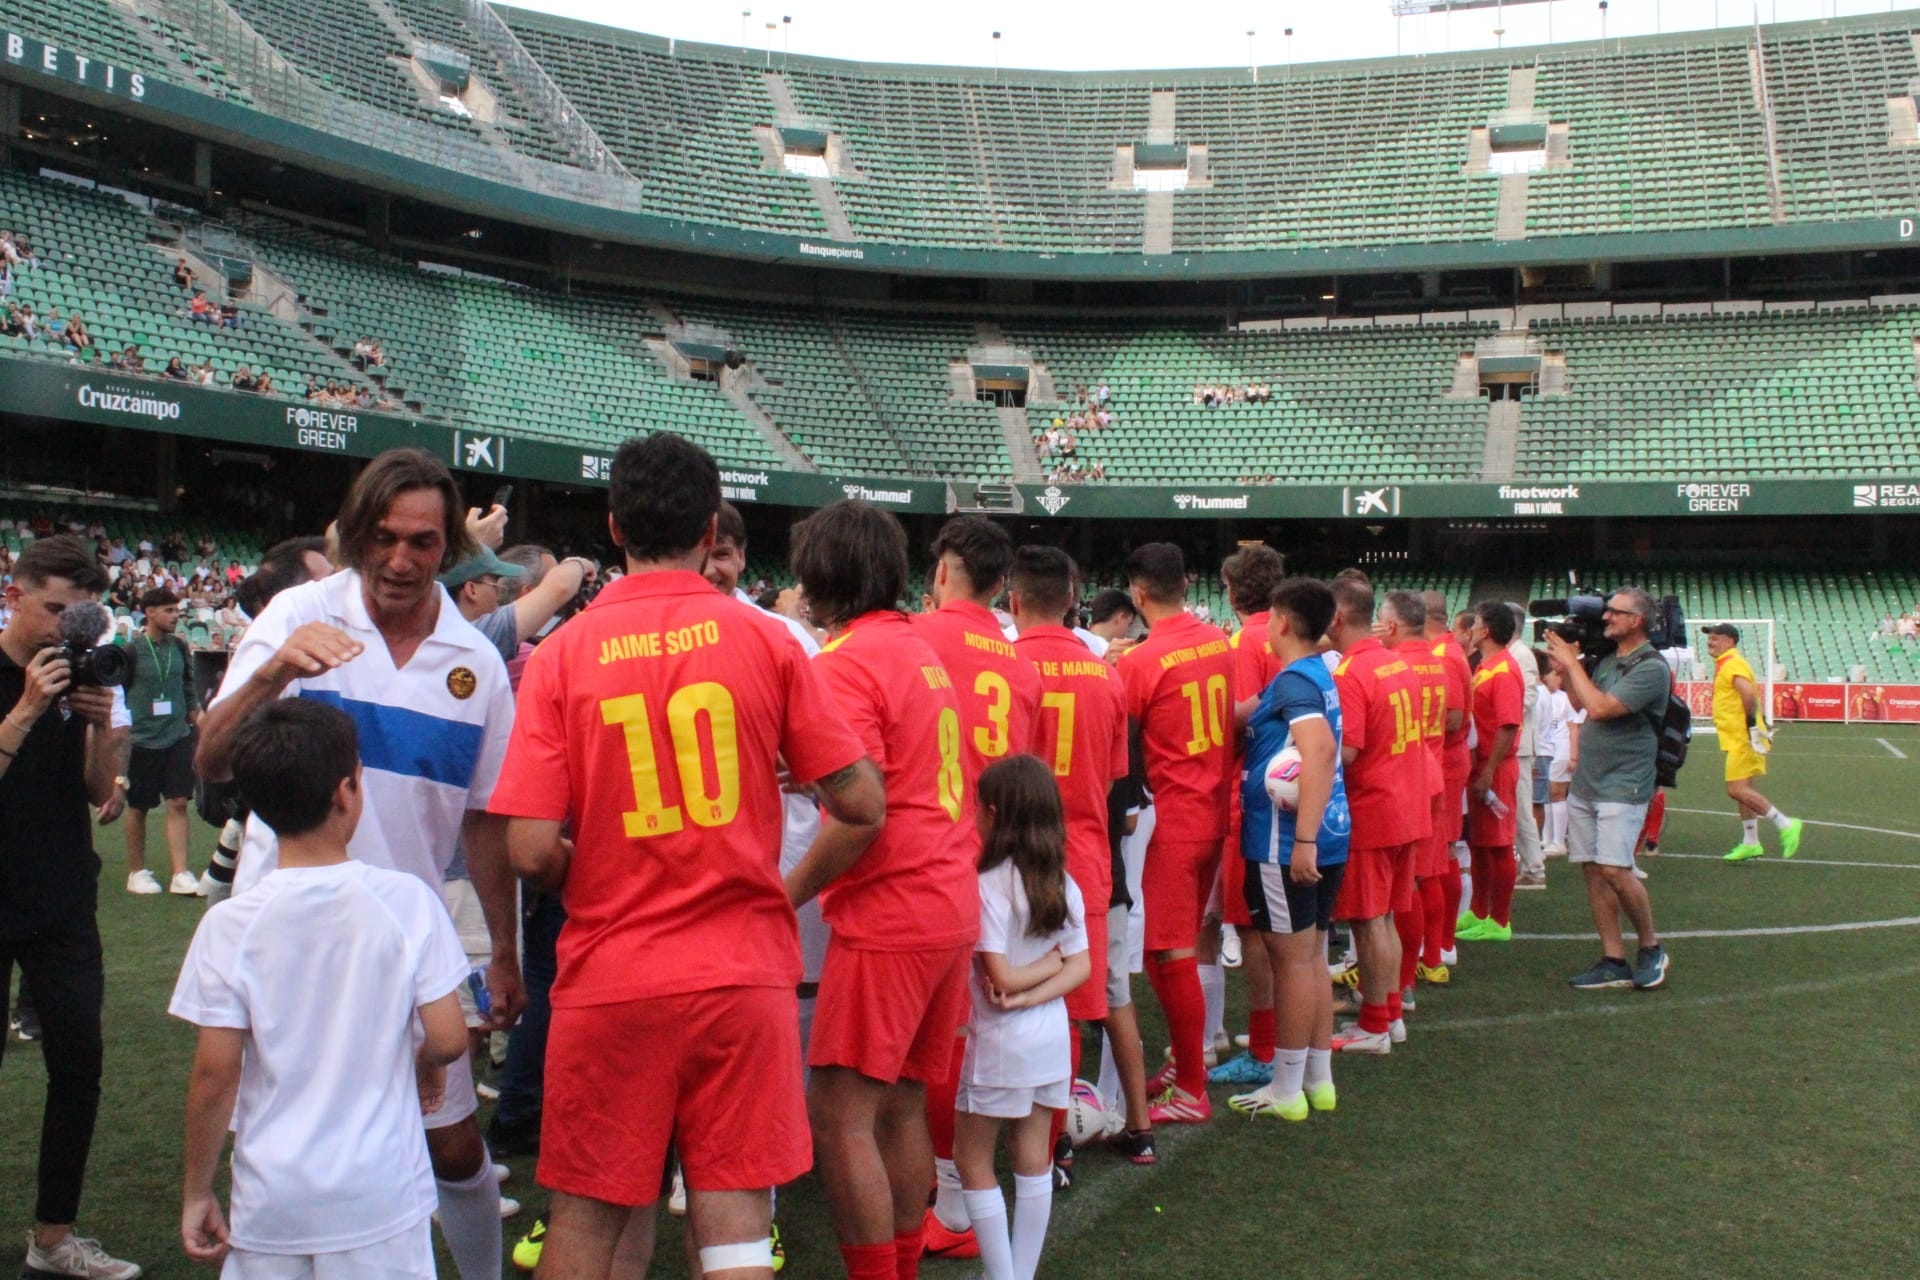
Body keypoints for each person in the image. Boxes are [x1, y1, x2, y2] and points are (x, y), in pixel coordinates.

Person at [488, 435, 878, 1280]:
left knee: (587, 1222)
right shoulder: (770, 642)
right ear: (711, 529)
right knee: (734, 1222)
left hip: (612, 971)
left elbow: (526, 848)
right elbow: (863, 802)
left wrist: (586, 870)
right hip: (740, 971)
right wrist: (783, 891)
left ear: (614, 527)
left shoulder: (560, 653)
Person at [195, 448, 525, 1280]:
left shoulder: (475, 662)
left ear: (448, 548)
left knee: (453, 1147)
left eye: (422, 542)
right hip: (285, 940)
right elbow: (210, 760)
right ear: (353, 535)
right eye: (384, 538)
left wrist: (508, 951)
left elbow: (485, 821)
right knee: (280, 1133)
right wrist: (274, 670)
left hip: (407, 942)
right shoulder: (300, 611)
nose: (401, 560)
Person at [173, 699, 470, 1280]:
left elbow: (215, 1072)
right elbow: (450, 1037)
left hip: (272, 1199)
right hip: (381, 1193)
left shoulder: (230, 924)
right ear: (347, 791)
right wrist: (428, 1063)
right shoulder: (404, 901)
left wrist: (195, 1191)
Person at [785, 499, 976, 1280]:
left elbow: (862, 813)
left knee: (838, 1117)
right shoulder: (916, 648)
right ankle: (898, 1264)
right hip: (946, 901)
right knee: (899, 1102)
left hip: (891, 912)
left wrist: (783, 892)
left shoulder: (845, 662)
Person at [0, 536, 141, 1279]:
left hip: (60, 895)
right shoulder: (19, 678)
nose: (64, 625)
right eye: (54, 607)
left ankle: (53, 1238)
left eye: (79, 613)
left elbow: (96, 792)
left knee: (79, 1063)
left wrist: (96, 723)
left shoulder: (81, 674)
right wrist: (28, 705)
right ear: (16, 593)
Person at [911, 515, 1043, 1243]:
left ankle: (953, 1192)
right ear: (1002, 587)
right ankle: (981, 1179)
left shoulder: (913, 639)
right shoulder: (1021, 664)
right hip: (1001, 863)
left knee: (933, 1043)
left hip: (925, 861)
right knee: (983, 1029)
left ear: (942, 573)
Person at [1008, 546, 1152, 1167]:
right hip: (1090, 862)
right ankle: (1122, 1130)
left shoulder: (1005, 667)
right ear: (1072, 599)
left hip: (1018, 861)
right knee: (1094, 1001)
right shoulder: (1107, 676)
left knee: (1018, 1005)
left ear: (1013, 601)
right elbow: (1119, 781)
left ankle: (1048, 1141)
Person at [954, 755, 1091, 1280]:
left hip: (997, 1042)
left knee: (973, 1160)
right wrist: (1049, 971)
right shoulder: (1061, 881)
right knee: (1034, 1161)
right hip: (1049, 1038)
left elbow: (1003, 977)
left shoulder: (988, 883)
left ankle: (1005, 1276)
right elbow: (1079, 965)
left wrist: (1024, 989)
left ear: (992, 813)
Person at [1114, 542, 1233, 1122]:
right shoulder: (1218, 641)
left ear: (1138, 593)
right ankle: (1189, 1061)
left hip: (1172, 821)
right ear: (1185, 584)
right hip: (1211, 808)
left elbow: (1121, 737)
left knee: (1171, 951)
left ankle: (1190, 1086)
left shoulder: (1141, 661)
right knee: (1173, 948)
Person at [1225, 577, 1349, 1121]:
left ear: (1281, 623)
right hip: (1330, 833)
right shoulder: (1309, 674)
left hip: (1285, 842)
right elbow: (1242, 715)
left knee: (1293, 964)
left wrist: (1301, 839)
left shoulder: (1298, 679)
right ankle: (1317, 1080)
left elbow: (1319, 750)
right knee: (1313, 956)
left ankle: (1286, 1088)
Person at [1543, 588, 1673, 992]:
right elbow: (1582, 701)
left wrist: (1571, 663)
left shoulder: (1651, 667)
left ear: (1637, 620)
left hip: (1624, 782)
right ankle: (1613, 957)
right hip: (1591, 781)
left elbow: (1602, 709)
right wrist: (1565, 672)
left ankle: (1651, 946)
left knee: (1616, 870)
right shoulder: (1610, 660)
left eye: (1616, 612)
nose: (1606, 618)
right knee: (1594, 871)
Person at [1324, 578, 1429, 1054]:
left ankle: (1375, 1025)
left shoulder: (1352, 673)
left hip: (1374, 807)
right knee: (1383, 917)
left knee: (1369, 921)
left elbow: (1346, 753)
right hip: (1406, 803)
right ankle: (1387, 1017)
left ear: (1336, 619)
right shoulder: (1395, 662)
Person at [1207, 544, 1288, 1092]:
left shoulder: (1245, 641)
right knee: (1292, 929)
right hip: (1298, 789)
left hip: (1255, 794)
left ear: (1232, 593)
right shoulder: (1290, 634)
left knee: (1255, 929)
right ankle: (1288, 1042)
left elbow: (1237, 720)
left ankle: (1265, 1048)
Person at [1378, 591, 1448, 1020]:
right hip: (1429, 773)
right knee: (1414, 881)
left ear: (1390, 625)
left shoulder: (1395, 665)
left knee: (1400, 892)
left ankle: (1399, 984)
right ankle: (1405, 976)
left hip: (1403, 780)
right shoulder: (1437, 660)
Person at [121, 587, 202, 897]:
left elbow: (188, 687)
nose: (175, 616)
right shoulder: (131, 651)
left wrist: (199, 719)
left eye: (176, 610)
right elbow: (121, 694)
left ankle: (180, 873)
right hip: (141, 738)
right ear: (150, 612)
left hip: (177, 734)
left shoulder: (179, 647)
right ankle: (136, 871)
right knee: (138, 805)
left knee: (179, 801)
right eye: (168, 610)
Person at [1705, 624, 1803, 862]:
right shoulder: (1726, 664)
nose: (1710, 642)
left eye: (1716, 638)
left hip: (1743, 738)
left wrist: (1750, 725)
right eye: (1710, 638)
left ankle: (1786, 824)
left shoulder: (1733, 663)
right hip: (1739, 737)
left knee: (1736, 790)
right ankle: (1751, 842)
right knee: (1743, 791)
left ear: (1730, 641)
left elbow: (1747, 694)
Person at [1459, 602, 1523, 945]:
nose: (1471, 628)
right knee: (1480, 844)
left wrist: (1489, 771)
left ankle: (1500, 920)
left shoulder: (1503, 671)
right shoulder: (1488, 666)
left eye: (1476, 623)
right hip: (1481, 765)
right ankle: (1479, 911)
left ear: (1486, 631)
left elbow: (1507, 725)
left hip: (1494, 767)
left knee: (1499, 845)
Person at [1420, 591, 1471, 975]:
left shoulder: (1442, 656)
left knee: (1438, 859)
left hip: (1443, 765)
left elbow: (1452, 718)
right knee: (1442, 856)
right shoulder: (1447, 652)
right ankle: (1440, 943)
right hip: (1445, 764)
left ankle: (1439, 944)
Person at [1507, 605, 1546, 892]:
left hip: (1518, 742)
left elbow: (1528, 696)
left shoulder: (1522, 655)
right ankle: (1527, 864)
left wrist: (1501, 717)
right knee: (1514, 807)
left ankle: (1534, 867)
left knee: (1521, 807)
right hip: (1512, 740)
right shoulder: (1512, 653)